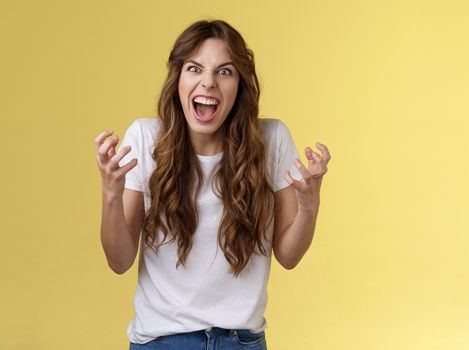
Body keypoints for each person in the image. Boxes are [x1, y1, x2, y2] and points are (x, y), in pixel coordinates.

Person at [94, 19, 330, 350]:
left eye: (224, 71)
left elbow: (289, 256)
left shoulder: (272, 140)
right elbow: (119, 261)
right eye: (194, 69)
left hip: (241, 342)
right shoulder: (145, 139)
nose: (208, 83)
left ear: (240, 85)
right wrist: (110, 193)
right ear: (177, 78)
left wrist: (309, 206)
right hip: (162, 342)